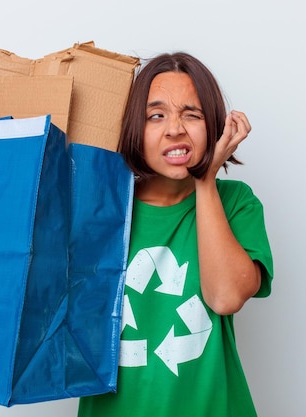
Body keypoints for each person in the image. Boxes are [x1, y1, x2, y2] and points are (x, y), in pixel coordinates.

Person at [78, 52, 273, 417]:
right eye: (156, 115)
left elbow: (225, 297)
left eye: (192, 115)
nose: (175, 129)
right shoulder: (101, 210)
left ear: (215, 125)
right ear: (134, 126)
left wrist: (206, 181)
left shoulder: (236, 204)